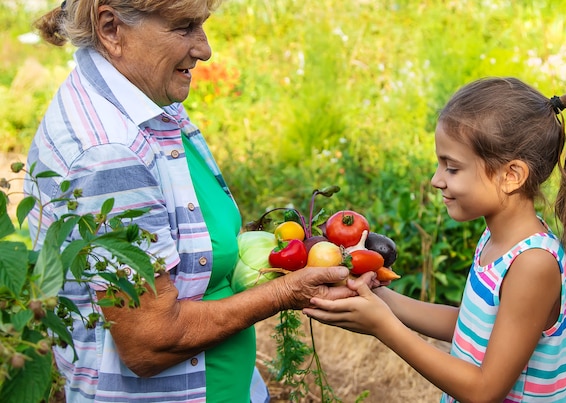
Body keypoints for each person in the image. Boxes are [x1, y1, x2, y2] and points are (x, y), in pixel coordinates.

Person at [26, 1, 370, 402]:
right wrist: (285, 292)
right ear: (110, 27)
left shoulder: (146, 98)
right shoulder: (108, 152)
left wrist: (293, 258)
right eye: (185, 27)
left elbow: (197, 257)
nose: (204, 49)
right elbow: (149, 341)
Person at [303, 77, 566, 402]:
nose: (436, 180)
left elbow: (484, 391)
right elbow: (469, 326)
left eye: (452, 168)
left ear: (511, 176)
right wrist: (380, 297)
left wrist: (384, 327)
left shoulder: (532, 264)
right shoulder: (497, 239)